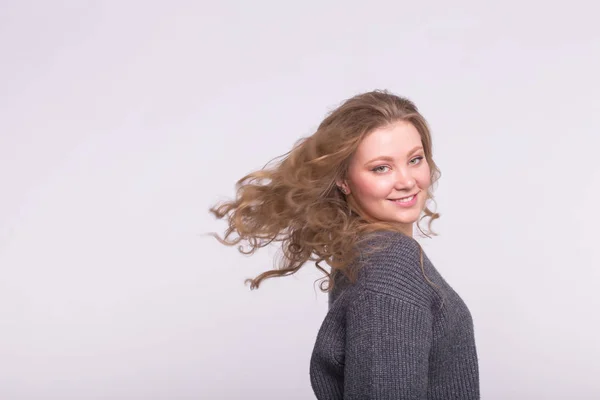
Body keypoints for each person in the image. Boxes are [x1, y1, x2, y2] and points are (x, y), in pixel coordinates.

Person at [209, 90, 480, 399]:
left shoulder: (364, 253)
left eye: (415, 160)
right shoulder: (391, 264)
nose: (406, 180)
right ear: (344, 180)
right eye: (381, 167)